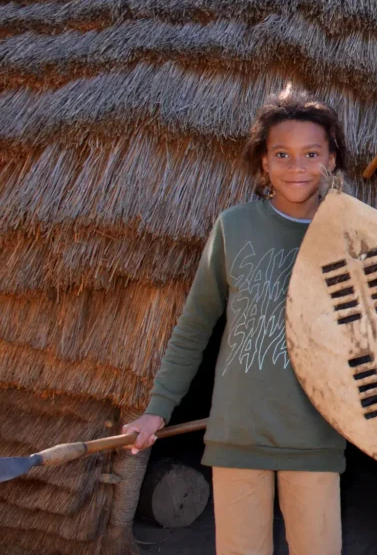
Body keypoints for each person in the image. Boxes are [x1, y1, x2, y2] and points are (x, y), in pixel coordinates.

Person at [122, 85, 348, 555]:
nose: (297, 166)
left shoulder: (351, 236)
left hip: (314, 436)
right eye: (281, 153)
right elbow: (195, 325)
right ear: (263, 162)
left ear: (332, 160)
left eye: (311, 153)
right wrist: (157, 409)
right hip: (238, 433)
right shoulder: (235, 226)